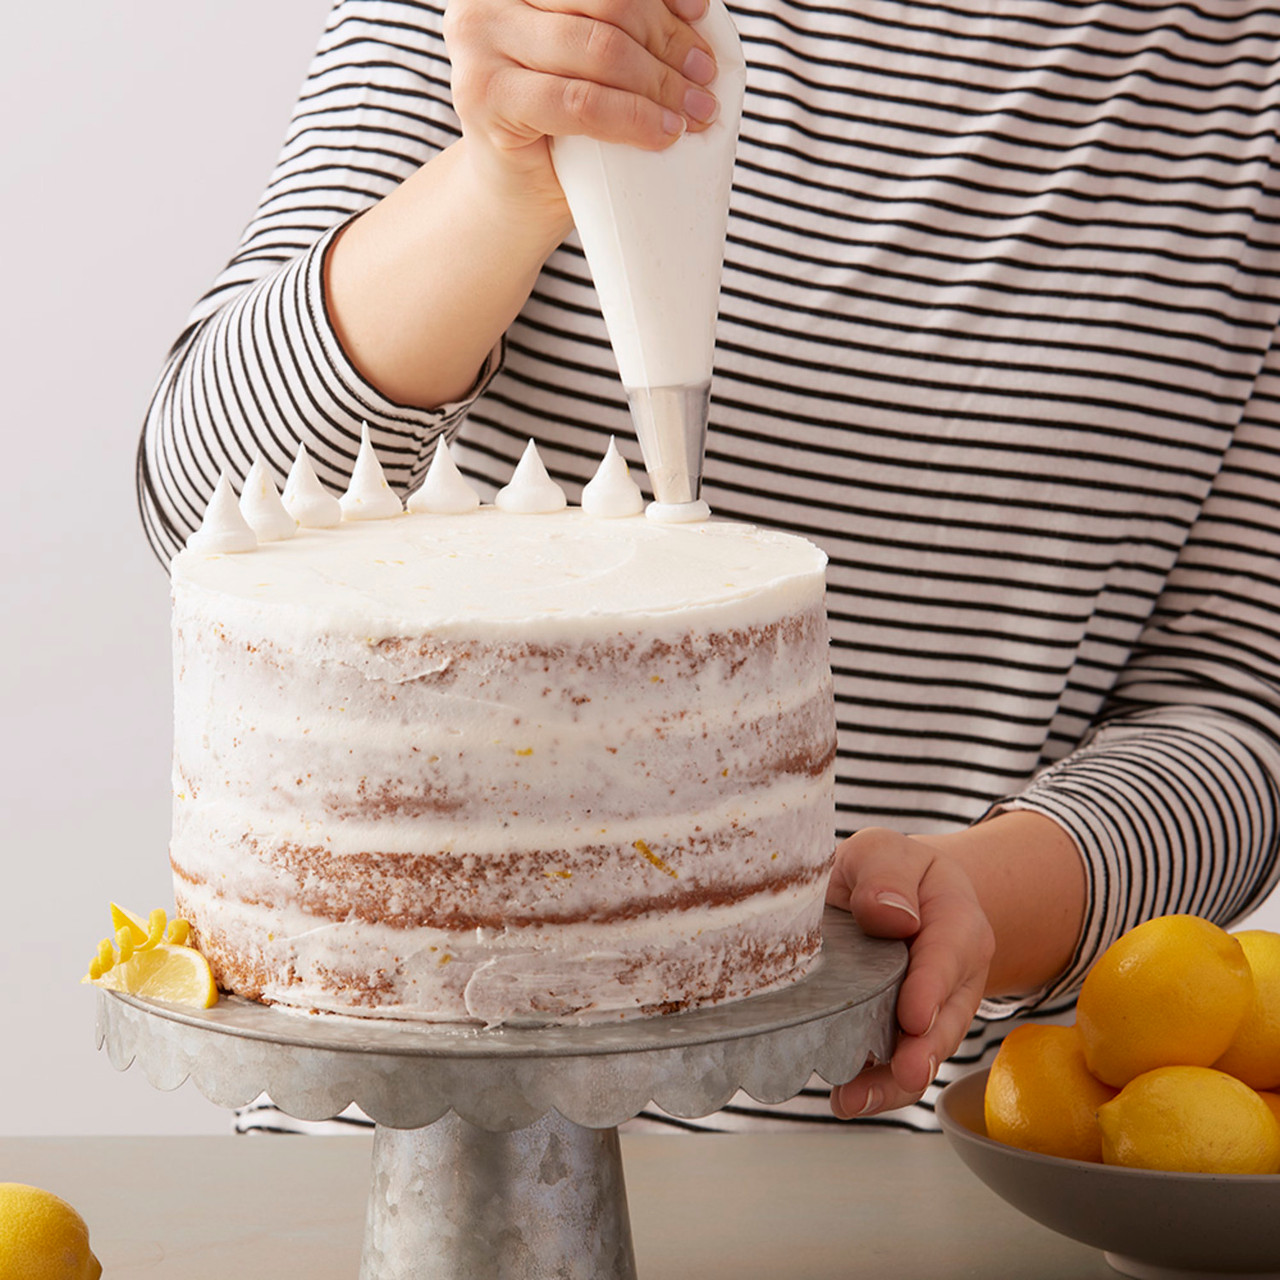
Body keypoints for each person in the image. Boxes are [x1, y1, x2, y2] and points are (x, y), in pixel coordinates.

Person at [138, 0, 1280, 1132]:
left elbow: (1230, 712)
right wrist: (497, 188)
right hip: (409, 1162)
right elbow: (201, 507)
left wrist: (975, 893)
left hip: (886, 1183)